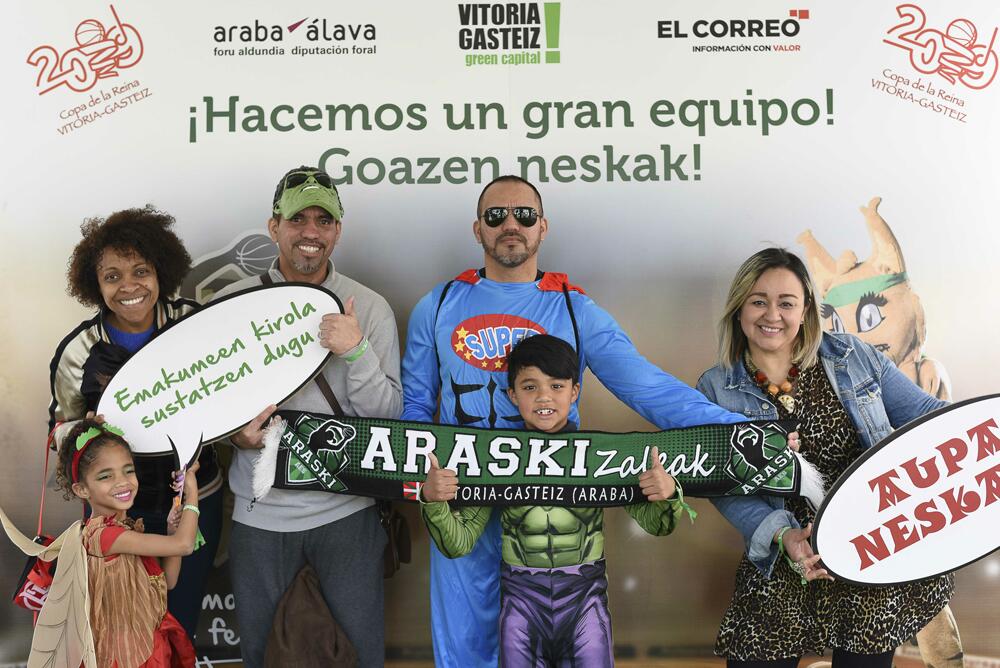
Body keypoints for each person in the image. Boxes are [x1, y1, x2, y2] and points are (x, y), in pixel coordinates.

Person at [401, 174, 749, 667]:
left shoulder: (574, 308)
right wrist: (425, 488)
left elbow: (646, 387)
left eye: (524, 215)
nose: (510, 225)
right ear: (477, 228)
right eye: (495, 215)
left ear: (543, 227)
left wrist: (739, 430)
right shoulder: (435, 307)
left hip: (553, 497)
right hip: (464, 498)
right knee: (466, 650)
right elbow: (414, 412)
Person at [696, 248, 953, 667]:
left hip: (869, 554)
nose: (771, 315)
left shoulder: (852, 356)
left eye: (786, 302)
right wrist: (784, 535)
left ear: (807, 310)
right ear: (739, 308)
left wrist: (984, 432)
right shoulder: (716, 386)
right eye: (758, 300)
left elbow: (926, 417)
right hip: (786, 557)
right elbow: (723, 487)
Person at [217, 165, 401, 668]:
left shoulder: (371, 308)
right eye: (298, 219)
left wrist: (357, 350)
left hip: (348, 514)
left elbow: (389, 422)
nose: (311, 232)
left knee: (358, 655)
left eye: (324, 220)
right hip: (261, 515)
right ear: (274, 227)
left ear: (337, 230)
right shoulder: (232, 304)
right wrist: (236, 437)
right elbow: (207, 411)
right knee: (263, 656)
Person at [421, 334, 688, 667]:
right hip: (521, 599)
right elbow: (457, 544)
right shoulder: (495, 460)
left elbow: (657, 525)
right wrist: (432, 500)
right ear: (512, 395)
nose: (544, 396)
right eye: (530, 387)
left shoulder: (600, 457)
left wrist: (666, 494)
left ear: (574, 391)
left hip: (584, 597)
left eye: (557, 386)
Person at [48, 206, 223, 639]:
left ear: (160, 271)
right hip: (115, 511)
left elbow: (228, 397)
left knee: (178, 620)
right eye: (112, 276)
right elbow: (58, 431)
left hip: (195, 500)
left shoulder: (195, 323)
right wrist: (85, 432)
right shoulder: (79, 351)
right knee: (123, 629)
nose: (129, 286)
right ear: (96, 284)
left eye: (140, 271)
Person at [55, 418, 199, 666]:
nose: (122, 481)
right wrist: (192, 493)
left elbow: (168, 582)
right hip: (124, 658)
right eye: (105, 476)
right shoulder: (104, 536)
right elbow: (184, 545)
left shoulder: (126, 528)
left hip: (148, 648)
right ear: (82, 490)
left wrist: (169, 528)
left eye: (128, 470)